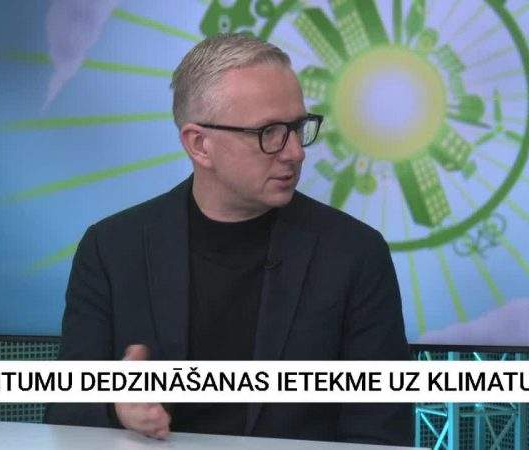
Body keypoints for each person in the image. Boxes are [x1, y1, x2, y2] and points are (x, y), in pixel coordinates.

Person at [44, 33, 412, 446]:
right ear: (199, 144)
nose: (295, 152)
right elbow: (64, 412)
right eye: (270, 132)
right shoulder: (111, 250)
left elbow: (381, 429)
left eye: (297, 127)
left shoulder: (355, 254)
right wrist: (116, 406)